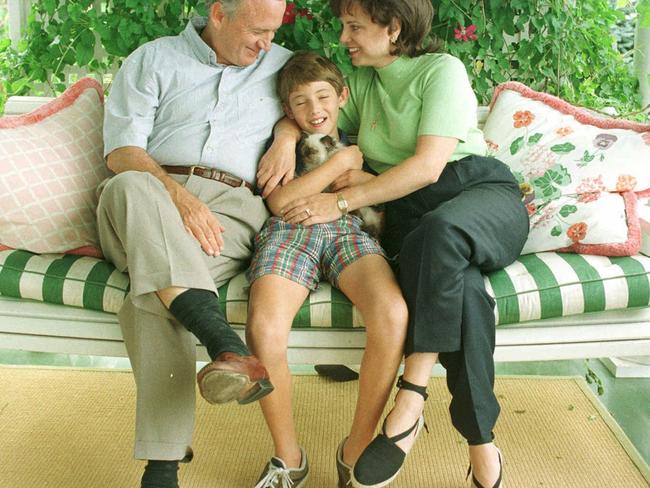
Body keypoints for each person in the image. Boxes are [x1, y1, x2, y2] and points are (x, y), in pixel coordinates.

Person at [277, 1, 530, 487]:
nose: (345, 37)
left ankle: (412, 393)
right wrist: (283, 138)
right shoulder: (363, 83)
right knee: (464, 291)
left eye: (356, 26)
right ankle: (483, 448)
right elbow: (313, 113)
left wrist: (344, 201)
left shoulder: (441, 70)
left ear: (394, 28)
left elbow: (428, 167)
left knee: (440, 234)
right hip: (416, 219)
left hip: (476, 193)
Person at [96, 1, 296, 487]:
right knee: (130, 187)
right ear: (218, 14)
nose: (265, 44)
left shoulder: (284, 66)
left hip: (232, 212)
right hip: (144, 199)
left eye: (272, 32)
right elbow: (122, 152)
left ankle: (162, 468)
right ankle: (224, 343)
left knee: (156, 287)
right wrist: (177, 196)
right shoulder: (153, 59)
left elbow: (328, 107)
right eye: (256, 31)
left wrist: (288, 134)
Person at [245, 51, 409, 488]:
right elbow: (279, 202)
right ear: (287, 110)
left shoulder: (367, 141)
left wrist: (356, 162)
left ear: (342, 96)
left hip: (350, 234)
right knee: (264, 327)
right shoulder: (283, 147)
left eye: (322, 97)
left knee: (392, 313)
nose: (314, 110)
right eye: (300, 102)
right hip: (289, 233)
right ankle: (288, 459)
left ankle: (355, 451)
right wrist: (338, 162)